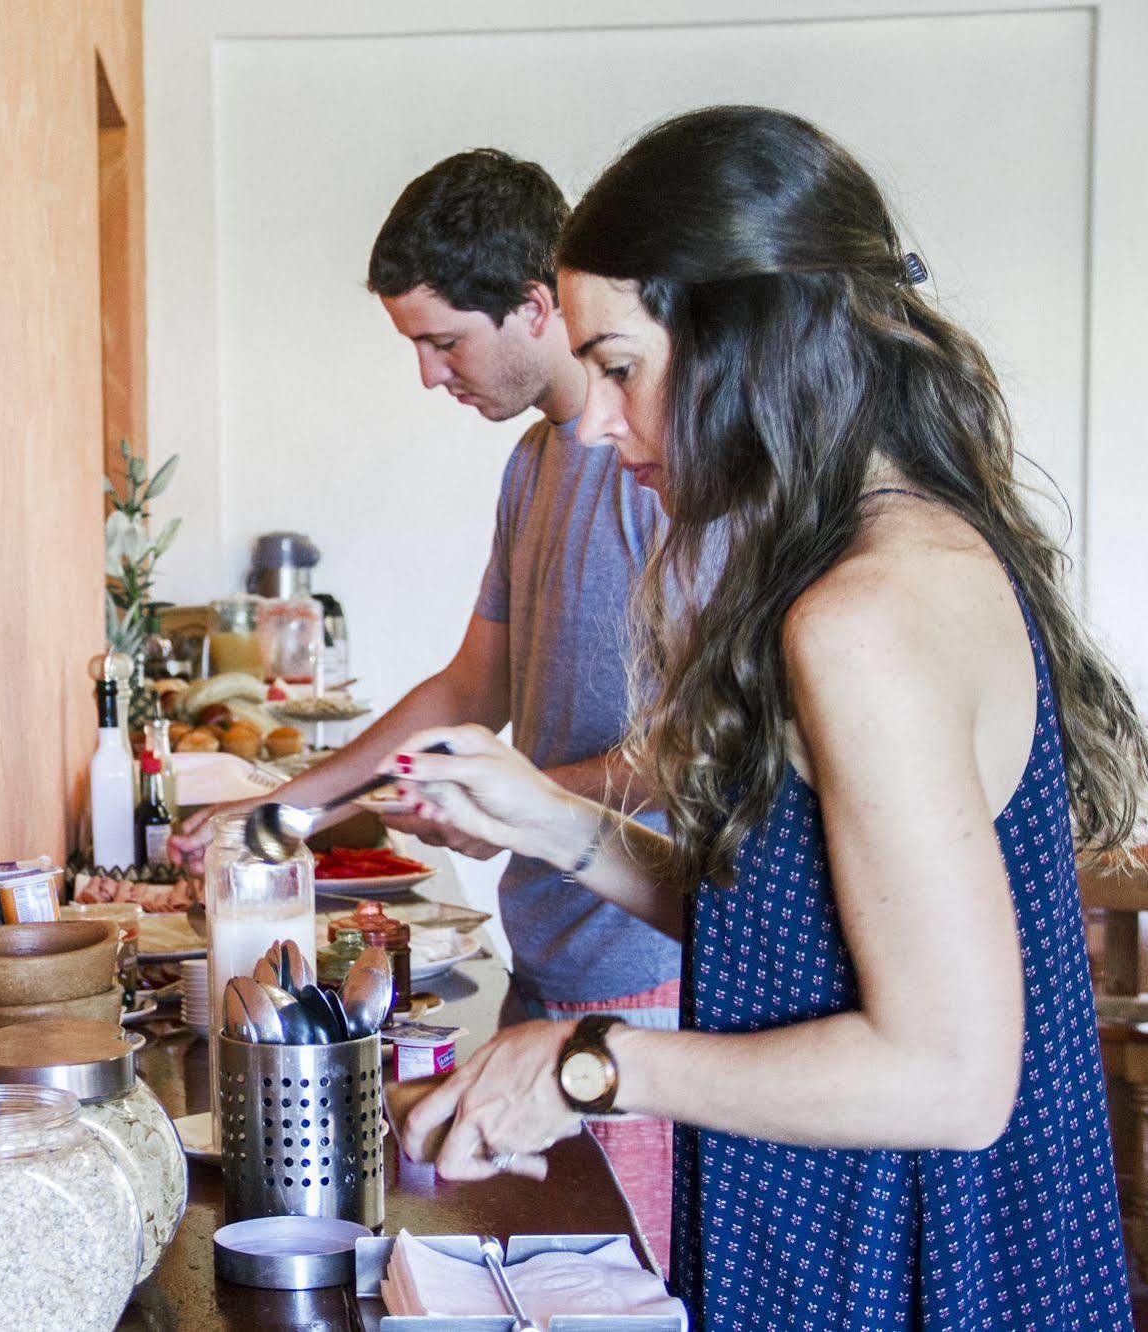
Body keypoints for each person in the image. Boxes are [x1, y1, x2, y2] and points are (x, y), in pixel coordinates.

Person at [388, 106, 1146, 1329]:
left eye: (622, 367)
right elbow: (794, 936)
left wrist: (587, 1065)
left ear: (752, 338)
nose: (592, 419)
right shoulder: (897, 545)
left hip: (906, 1260)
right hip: (877, 1228)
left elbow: (949, 1079)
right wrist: (555, 823)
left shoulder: (860, 617)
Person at [172, 147, 684, 1267]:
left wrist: (515, 802)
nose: (426, 374)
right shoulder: (532, 466)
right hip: (549, 950)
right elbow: (472, 685)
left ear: (536, 307)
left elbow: (691, 761)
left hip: (646, 973)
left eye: (442, 340)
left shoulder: (654, 467)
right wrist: (282, 812)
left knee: (622, 1283)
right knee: (528, 1271)